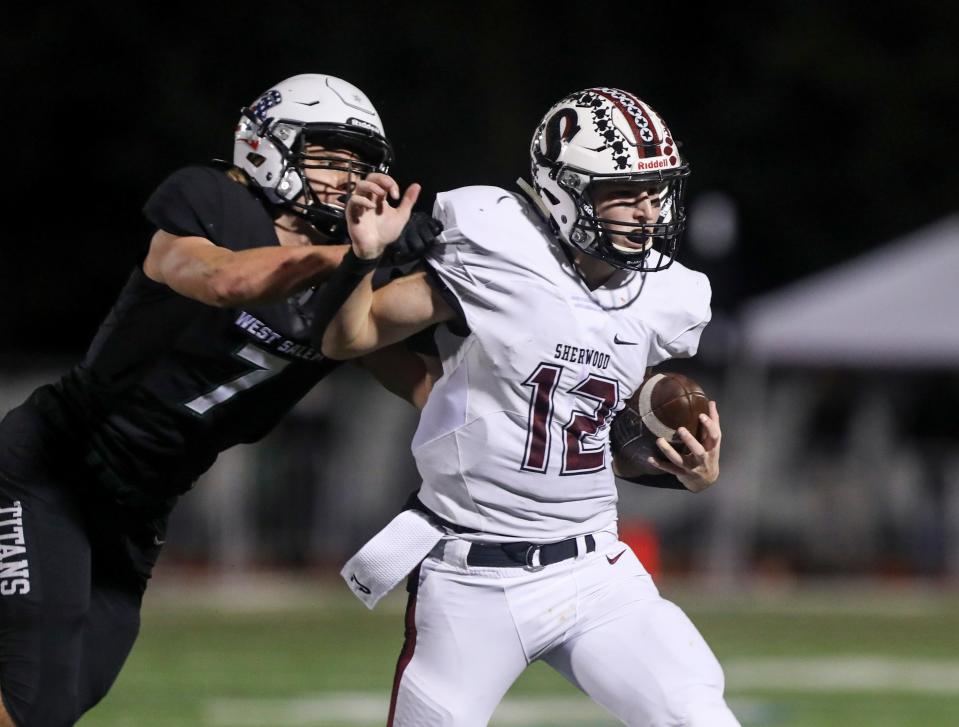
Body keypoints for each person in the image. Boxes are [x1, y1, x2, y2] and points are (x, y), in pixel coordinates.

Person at [0, 73, 435, 727]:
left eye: (356, 167)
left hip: (140, 509)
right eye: (325, 158)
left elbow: (422, 381)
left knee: (73, 689)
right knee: (38, 694)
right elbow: (226, 279)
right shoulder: (208, 199)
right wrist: (349, 253)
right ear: (264, 146)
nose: (343, 181)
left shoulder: (345, 282)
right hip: (52, 468)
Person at [319, 87, 739, 726]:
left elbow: (586, 421)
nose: (647, 212)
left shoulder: (667, 295)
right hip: (471, 576)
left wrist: (686, 470)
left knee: (697, 717)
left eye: (657, 192)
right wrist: (361, 263)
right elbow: (349, 338)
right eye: (624, 192)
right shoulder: (497, 239)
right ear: (563, 189)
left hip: (595, 570)